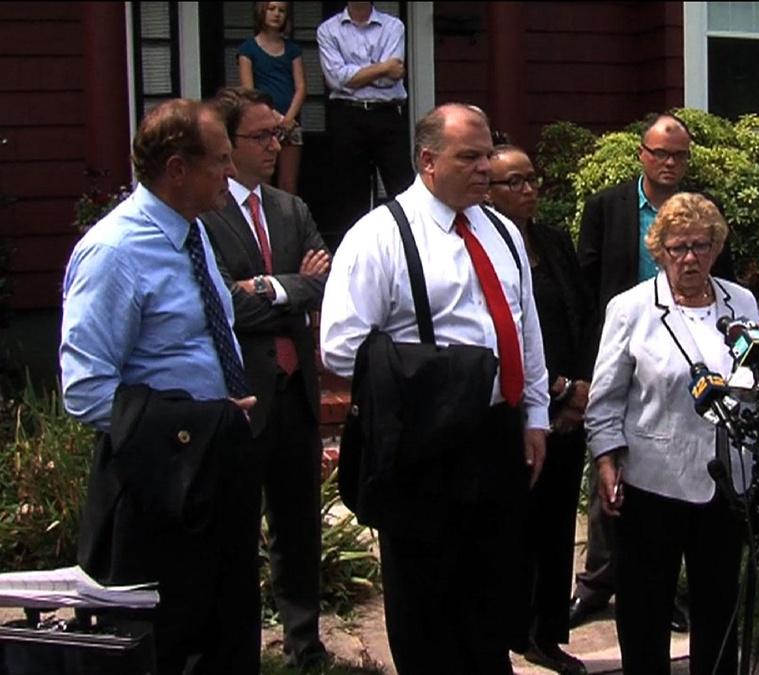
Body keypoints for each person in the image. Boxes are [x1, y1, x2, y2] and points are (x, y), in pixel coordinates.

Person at [320, 103, 549, 674]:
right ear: (427, 160)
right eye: (469, 157)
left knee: (491, 603)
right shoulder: (379, 237)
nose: (485, 169)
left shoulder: (502, 232)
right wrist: (437, 374)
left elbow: (526, 328)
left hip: (496, 438)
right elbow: (339, 345)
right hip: (424, 445)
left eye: (487, 155)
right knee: (426, 608)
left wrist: (536, 415)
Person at [60, 98, 262, 674]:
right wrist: (195, 425)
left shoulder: (197, 234)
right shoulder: (116, 252)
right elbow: (85, 388)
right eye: (221, 162)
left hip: (216, 473)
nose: (232, 173)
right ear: (177, 168)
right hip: (157, 484)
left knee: (226, 637)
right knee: (166, 647)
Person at [586, 192, 758, 675]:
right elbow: (605, 397)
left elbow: (754, 376)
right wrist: (606, 459)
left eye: (701, 246)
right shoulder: (631, 308)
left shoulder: (739, 301)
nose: (690, 258)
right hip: (650, 481)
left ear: (716, 247)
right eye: (678, 247)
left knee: (718, 605)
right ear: (658, 251)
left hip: (725, 480)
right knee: (645, 607)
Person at [572, 112, 732, 630]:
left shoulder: (704, 214)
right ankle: (598, 583)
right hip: (627, 345)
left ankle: (673, 595)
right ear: (642, 154)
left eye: (679, 154)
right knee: (614, 487)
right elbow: (586, 283)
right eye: (660, 153)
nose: (669, 162)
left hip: (691, 359)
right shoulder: (608, 207)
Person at [200, 87, 331, 670]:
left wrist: (266, 288)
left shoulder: (290, 208)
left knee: (298, 525)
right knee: (234, 529)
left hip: (295, 392)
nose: (276, 145)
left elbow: (326, 280)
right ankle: (241, 650)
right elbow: (224, 306)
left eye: (280, 134)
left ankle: (304, 643)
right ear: (227, 145)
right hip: (241, 395)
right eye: (263, 136)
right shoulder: (204, 214)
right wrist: (290, 290)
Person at [486, 140, 593, 675]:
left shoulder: (552, 242)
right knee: (513, 530)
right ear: (490, 190)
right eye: (515, 182)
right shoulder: (482, 248)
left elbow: (580, 316)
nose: (528, 190)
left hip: (569, 412)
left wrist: (579, 392)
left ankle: (545, 634)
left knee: (554, 532)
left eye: (532, 180)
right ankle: (502, 629)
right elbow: (501, 336)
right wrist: (555, 389)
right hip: (514, 412)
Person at [317, 1, 412, 245]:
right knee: (349, 194)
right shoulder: (328, 30)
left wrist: (355, 76)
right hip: (347, 116)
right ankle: (355, 254)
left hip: (387, 115)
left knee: (402, 188)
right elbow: (336, 79)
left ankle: (407, 248)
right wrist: (381, 68)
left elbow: (392, 78)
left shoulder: (394, 26)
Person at [238, 1, 306, 195]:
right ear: (262, 11)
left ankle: (288, 224)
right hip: (263, 124)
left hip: (290, 124)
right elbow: (249, 91)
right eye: (272, 9)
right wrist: (273, 117)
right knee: (263, 181)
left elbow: (301, 87)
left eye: (282, 10)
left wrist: (288, 119)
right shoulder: (248, 49)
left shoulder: (293, 50)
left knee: (288, 183)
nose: (276, 14)